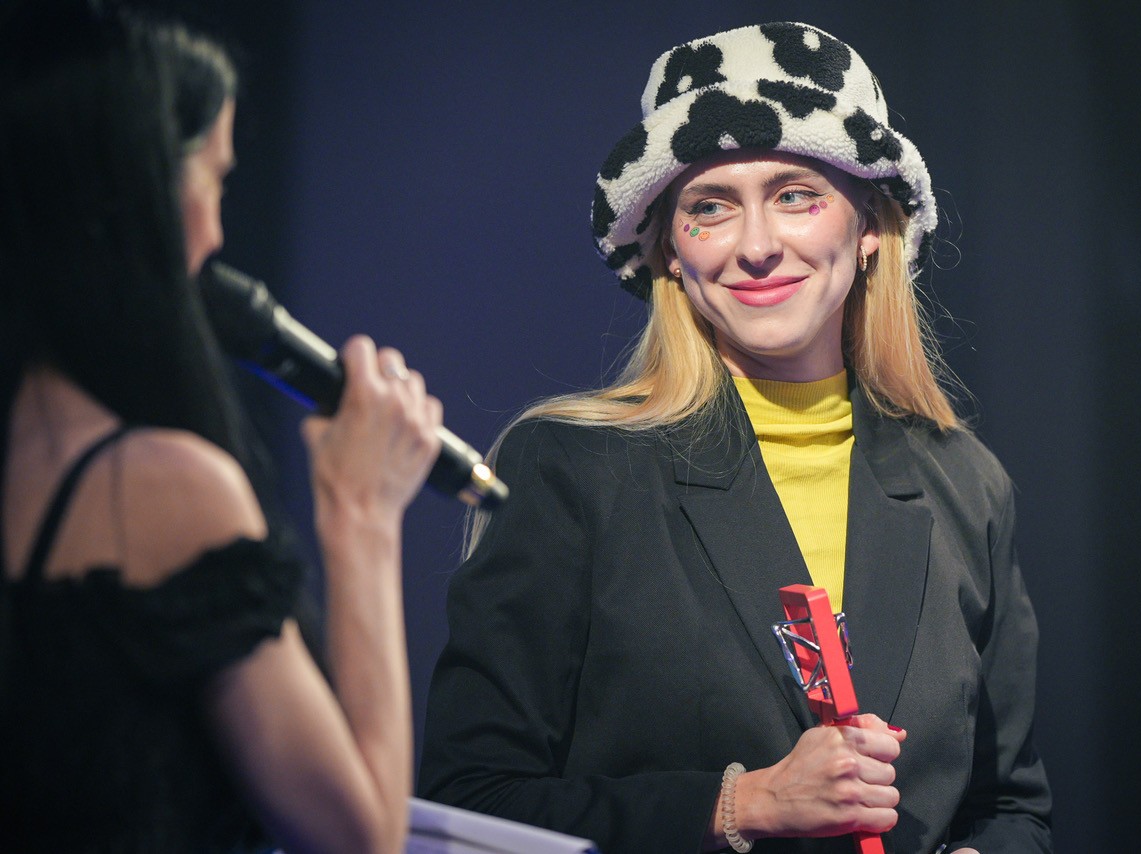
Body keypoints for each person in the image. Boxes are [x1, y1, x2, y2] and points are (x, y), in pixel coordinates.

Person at [417, 22, 1051, 854]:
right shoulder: (571, 469)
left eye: (796, 195)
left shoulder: (966, 484)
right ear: (670, 251)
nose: (756, 247)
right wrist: (742, 804)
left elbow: (1011, 809)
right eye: (710, 207)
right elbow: (468, 803)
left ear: (869, 226)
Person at [0, 3, 442, 851]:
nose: (215, 233)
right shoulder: (155, 489)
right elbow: (356, 837)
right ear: (134, 193)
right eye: (213, 181)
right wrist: (363, 512)